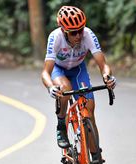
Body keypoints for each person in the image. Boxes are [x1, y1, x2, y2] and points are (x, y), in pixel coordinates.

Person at [41, 6, 116, 150]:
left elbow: (103, 64)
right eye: (73, 32)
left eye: (80, 30)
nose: (78, 36)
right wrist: (50, 87)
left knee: (89, 113)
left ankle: (96, 162)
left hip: (78, 69)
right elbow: (45, 72)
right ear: (64, 31)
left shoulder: (88, 34)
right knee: (65, 89)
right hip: (59, 69)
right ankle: (61, 125)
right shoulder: (55, 37)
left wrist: (108, 77)